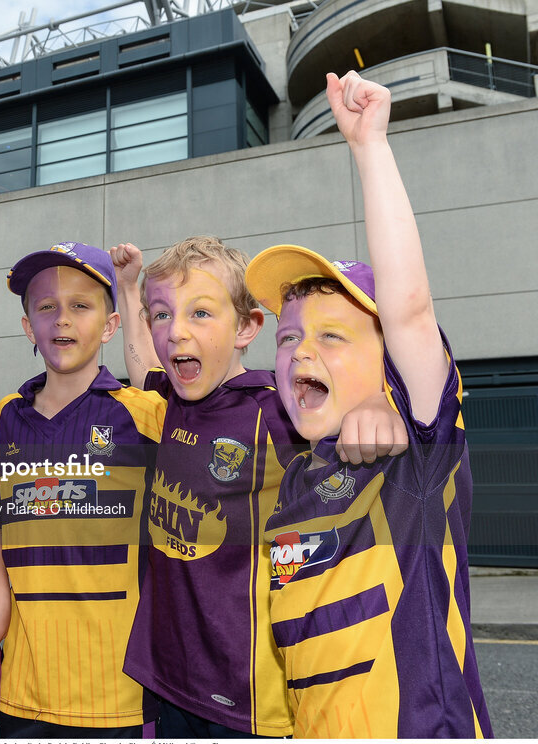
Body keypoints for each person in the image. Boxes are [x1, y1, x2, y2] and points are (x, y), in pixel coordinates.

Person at [245, 71, 492, 738]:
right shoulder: (292, 488)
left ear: (388, 369)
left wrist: (369, 147)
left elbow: (410, 315)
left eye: (332, 335)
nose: (299, 351)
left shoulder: (415, 466)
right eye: (289, 336)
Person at [111, 232, 406, 738]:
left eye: (200, 313)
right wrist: (126, 285)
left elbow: (343, 397)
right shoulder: (174, 398)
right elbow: (142, 366)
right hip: (168, 673)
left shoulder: (275, 408)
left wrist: (381, 400)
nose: (176, 332)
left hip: (245, 694)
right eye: (162, 315)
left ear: (247, 327)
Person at [0, 242, 167, 737]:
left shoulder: (142, 414)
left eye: (81, 306)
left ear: (110, 325)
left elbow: (158, 380)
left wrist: (129, 287)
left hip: (115, 691)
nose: (62, 320)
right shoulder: (7, 413)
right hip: (23, 687)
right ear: (27, 326)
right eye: (46, 307)